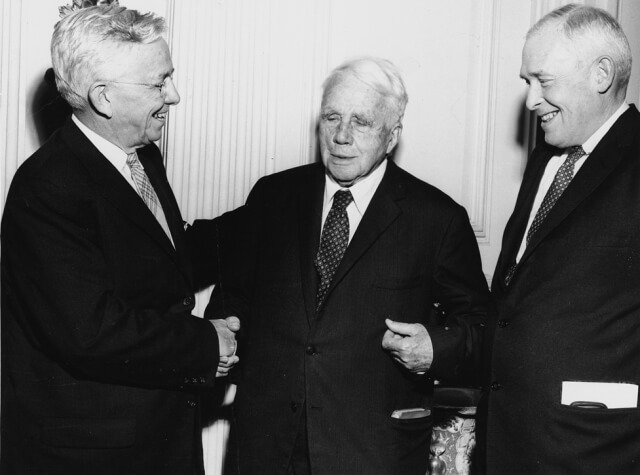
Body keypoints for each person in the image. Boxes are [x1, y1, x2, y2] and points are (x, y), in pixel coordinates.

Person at [206, 57, 489, 474]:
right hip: (267, 447)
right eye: (332, 117)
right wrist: (222, 335)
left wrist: (435, 347)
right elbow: (234, 297)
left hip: (371, 452)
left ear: (392, 136)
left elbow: (483, 328)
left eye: (361, 122)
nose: (340, 136)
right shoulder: (273, 197)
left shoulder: (437, 218)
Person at [1, 5, 239, 474]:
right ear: (103, 98)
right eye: (158, 82)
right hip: (95, 458)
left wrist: (266, 216)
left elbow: (165, 260)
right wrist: (205, 344)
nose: (174, 95)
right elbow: (90, 332)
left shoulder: (141, 158)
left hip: (155, 440)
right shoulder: (47, 188)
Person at [485, 4, 639, 473]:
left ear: (601, 74)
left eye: (542, 80)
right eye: (526, 82)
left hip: (597, 449)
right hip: (511, 441)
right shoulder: (546, 159)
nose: (531, 100)